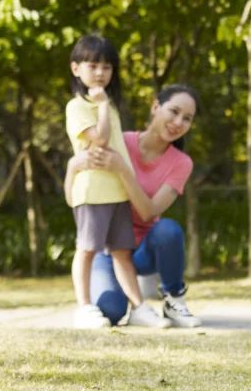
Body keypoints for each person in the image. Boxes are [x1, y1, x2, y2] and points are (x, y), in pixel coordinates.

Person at [66, 84, 203, 329]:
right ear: (155, 107)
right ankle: (128, 302)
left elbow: (148, 212)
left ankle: (174, 299)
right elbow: (81, 187)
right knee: (110, 311)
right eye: (174, 112)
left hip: (143, 251)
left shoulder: (181, 163)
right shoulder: (121, 141)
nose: (178, 122)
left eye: (187, 118)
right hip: (109, 249)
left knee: (168, 231)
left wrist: (123, 169)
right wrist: (72, 166)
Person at [65, 35, 169, 330]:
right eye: (93, 65)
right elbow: (98, 139)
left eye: (107, 67)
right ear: (76, 68)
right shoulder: (78, 106)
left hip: (117, 191)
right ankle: (84, 308)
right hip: (92, 191)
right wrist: (100, 105)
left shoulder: (107, 106)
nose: (100, 73)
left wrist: (103, 106)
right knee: (87, 249)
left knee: (122, 252)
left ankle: (139, 308)